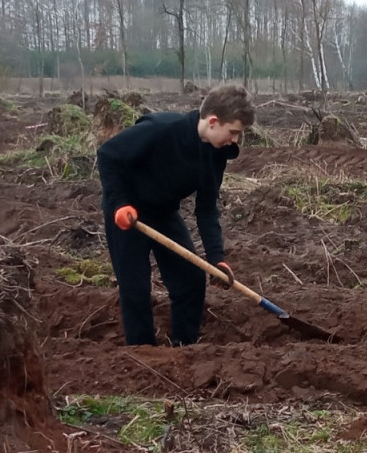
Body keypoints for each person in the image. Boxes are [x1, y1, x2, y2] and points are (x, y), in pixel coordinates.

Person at [97, 85, 254, 346]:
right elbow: (109, 155)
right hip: (128, 213)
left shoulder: (217, 154)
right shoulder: (162, 129)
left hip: (163, 213)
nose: (235, 140)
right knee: (135, 288)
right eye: (234, 132)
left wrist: (217, 258)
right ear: (213, 121)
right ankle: (142, 350)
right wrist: (120, 203)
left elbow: (206, 209)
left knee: (191, 280)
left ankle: (184, 347)